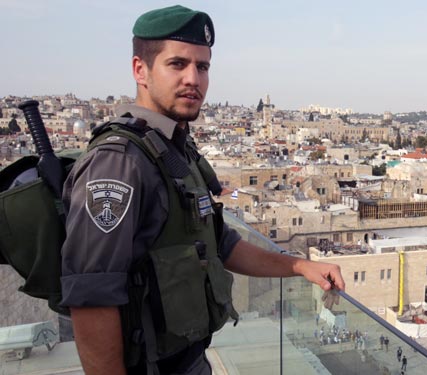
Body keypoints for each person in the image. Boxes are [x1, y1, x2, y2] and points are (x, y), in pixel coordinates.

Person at [59, 6, 346, 375]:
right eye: (177, 64)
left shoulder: (176, 149)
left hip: (190, 361)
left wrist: (301, 265)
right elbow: (91, 298)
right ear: (140, 70)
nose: (193, 78)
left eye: (203, 66)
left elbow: (219, 243)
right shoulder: (119, 163)